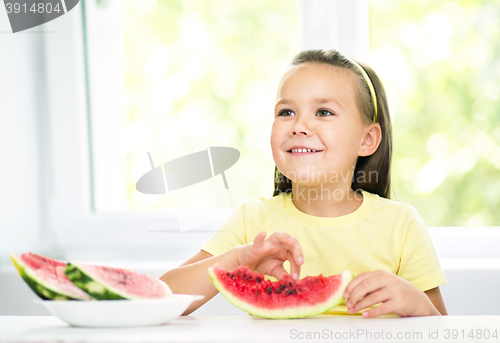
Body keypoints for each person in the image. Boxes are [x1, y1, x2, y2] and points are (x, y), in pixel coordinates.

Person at [160, 49, 447, 318]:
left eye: (323, 112)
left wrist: (417, 301)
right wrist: (237, 258)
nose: (298, 125)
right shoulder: (253, 221)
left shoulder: (401, 224)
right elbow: (162, 298)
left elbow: (442, 328)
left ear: (367, 139)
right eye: (286, 112)